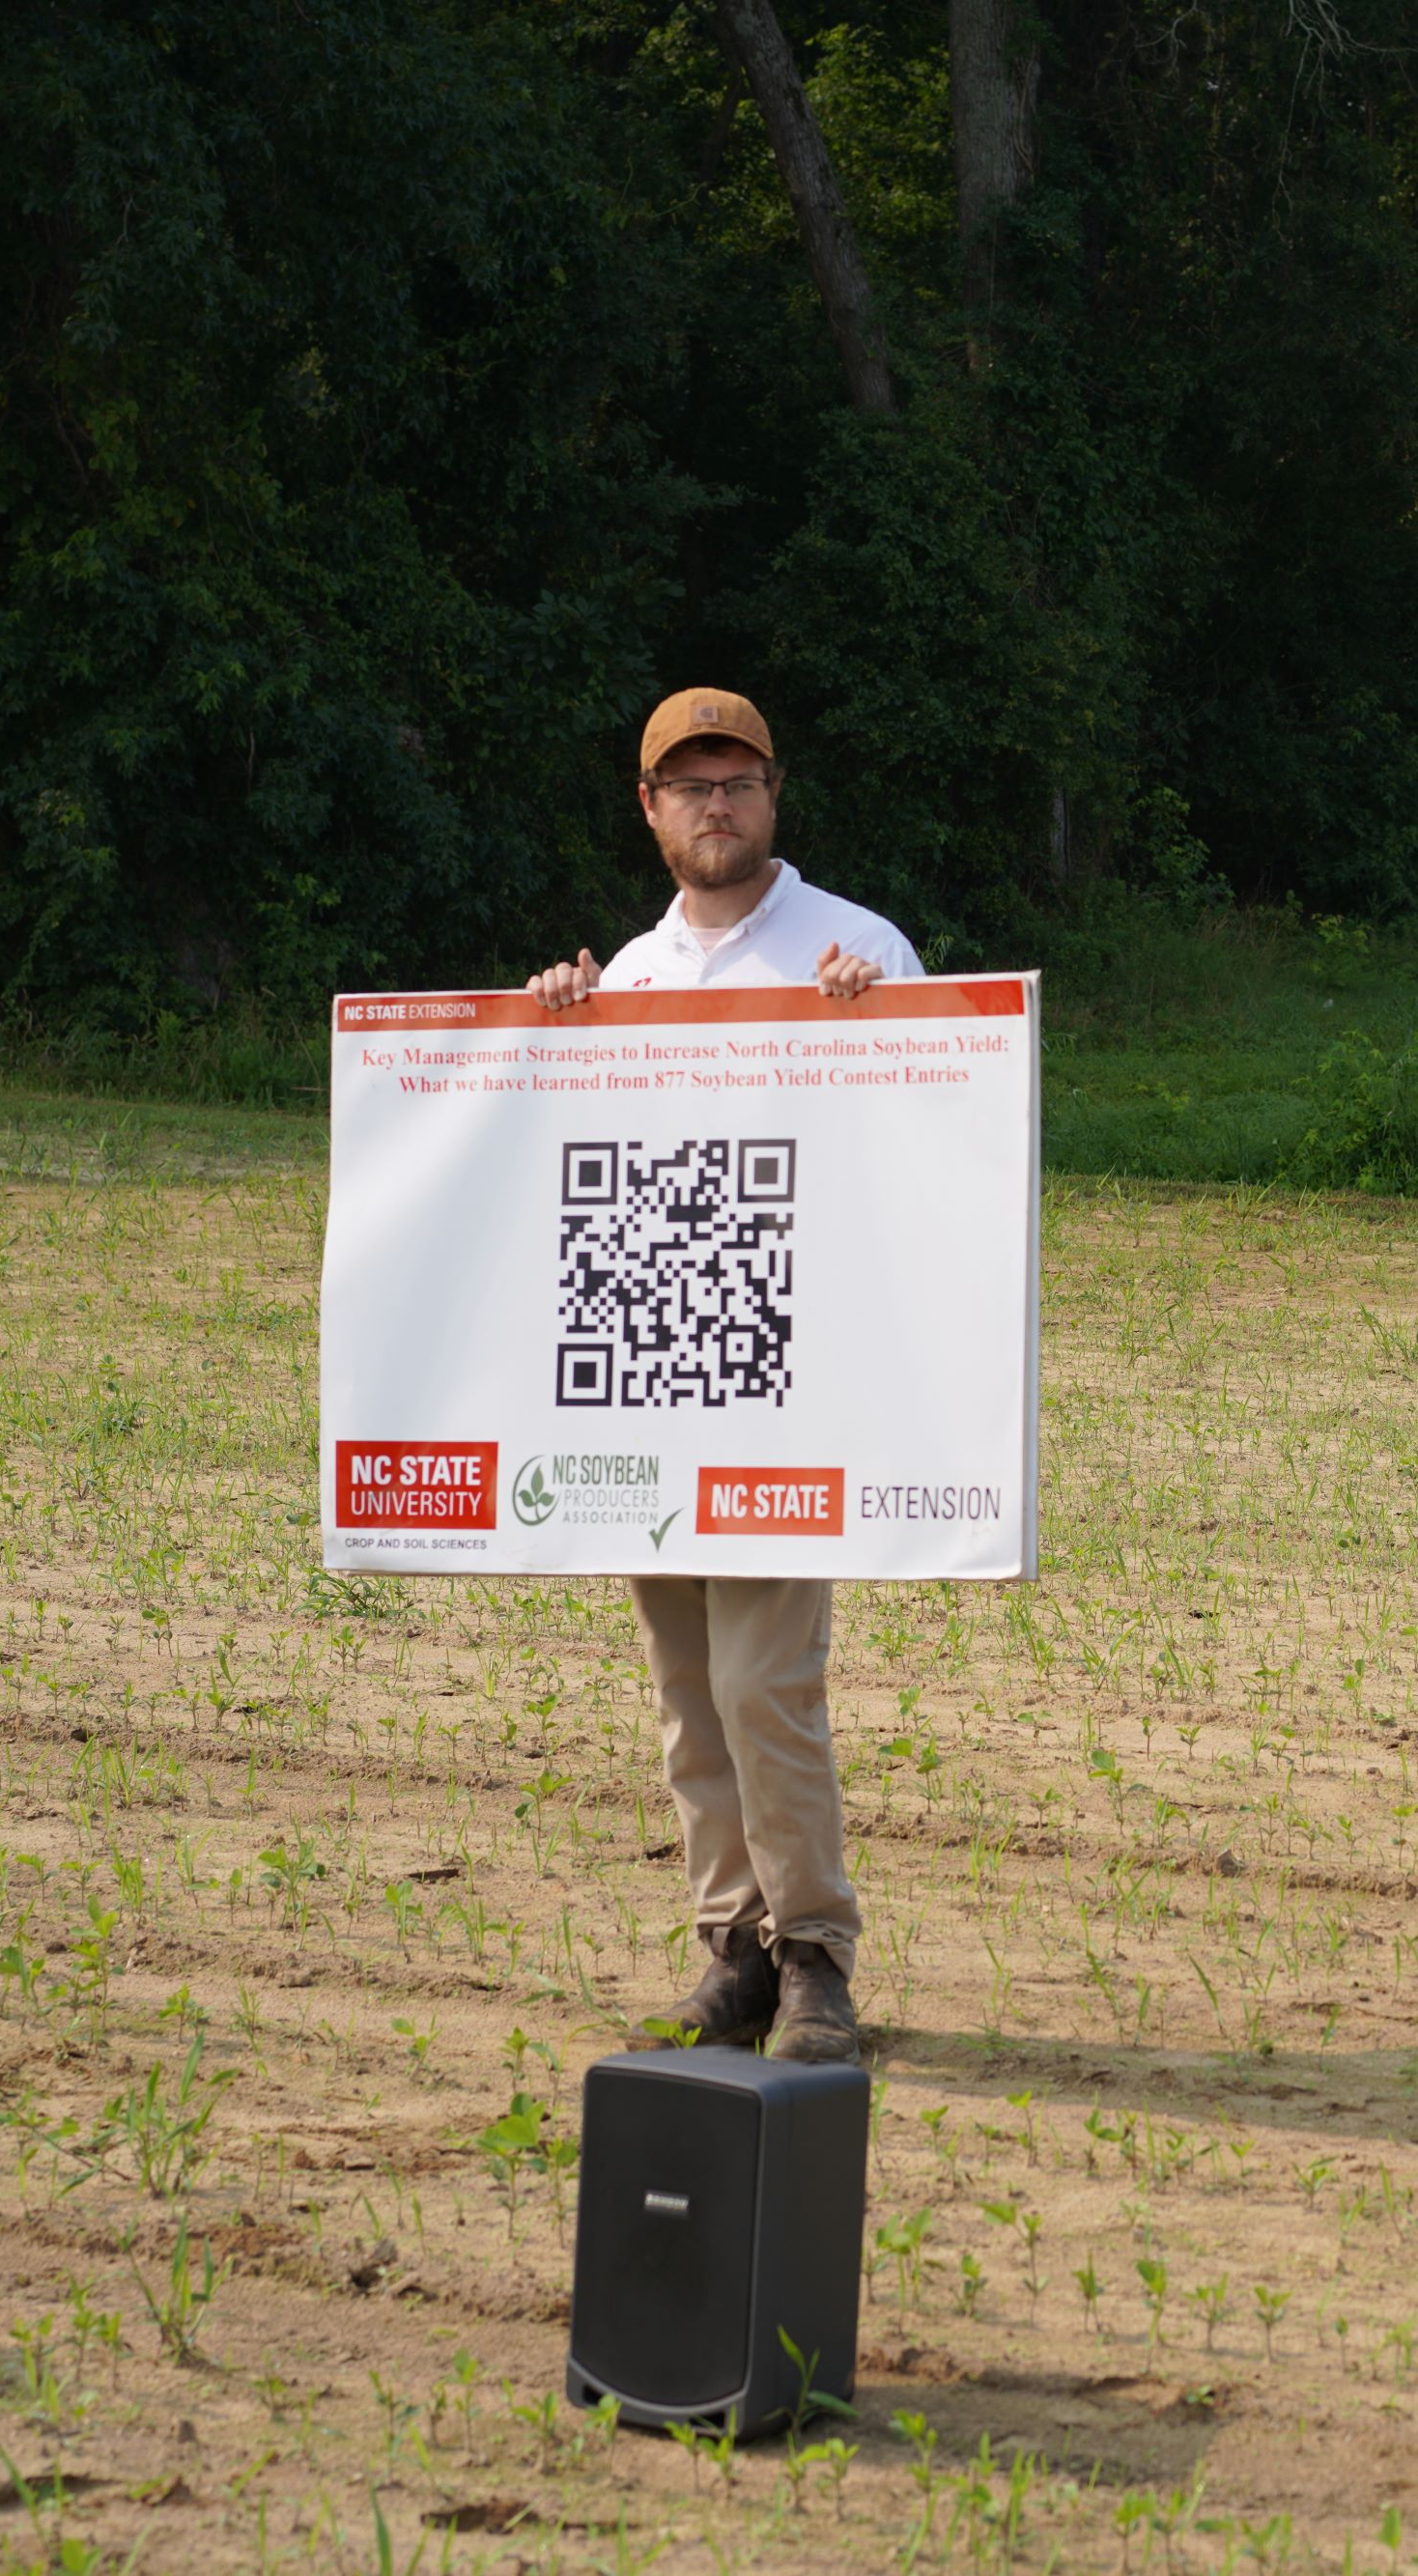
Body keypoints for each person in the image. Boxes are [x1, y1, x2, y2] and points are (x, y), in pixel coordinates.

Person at [524, 686, 923, 2064]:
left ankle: (814, 1954)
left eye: (737, 779)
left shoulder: (857, 948)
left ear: (774, 794)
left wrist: (878, 1034)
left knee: (765, 1681)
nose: (716, 803)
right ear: (649, 810)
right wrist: (543, 1032)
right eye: (687, 783)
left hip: (789, 1372)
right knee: (689, 1686)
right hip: (655, 1375)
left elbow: (936, 1140)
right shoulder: (625, 979)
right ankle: (731, 1947)